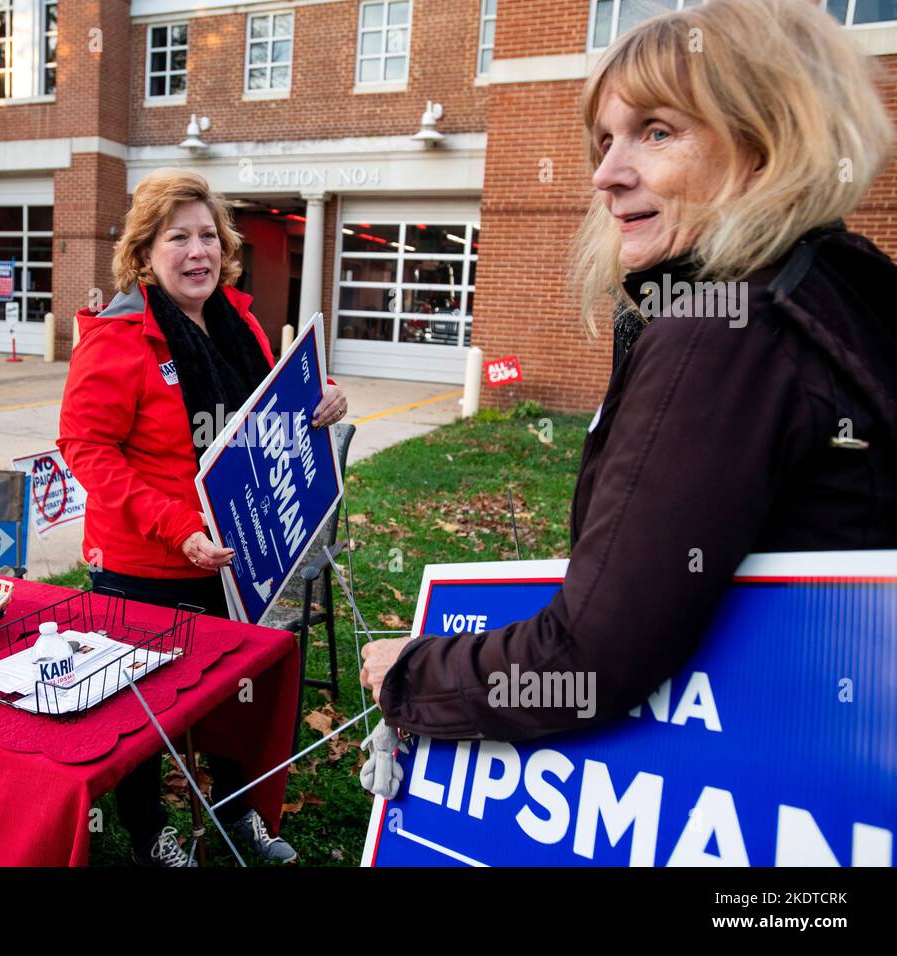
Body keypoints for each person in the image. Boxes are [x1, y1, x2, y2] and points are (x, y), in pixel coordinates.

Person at [360, 0, 897, 740]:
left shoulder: (721, 329)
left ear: (764, 144)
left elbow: (585, 660)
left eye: (657, 132)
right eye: (605, 141)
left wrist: (411, 674)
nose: (607, 175)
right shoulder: (840, 287)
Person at [58, 168, 348, 865]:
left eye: (208, 236)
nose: (198, 252)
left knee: (230, 697)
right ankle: (149, 828)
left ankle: (236, 810)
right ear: (145, 253)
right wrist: (175, 526)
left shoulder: (237, 320)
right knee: (144, 714)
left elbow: (275, 401)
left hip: (233, 558)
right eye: (178, 237)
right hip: (146, 565)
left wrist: (324, 394)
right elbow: (85, 449)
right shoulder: (117, 336)